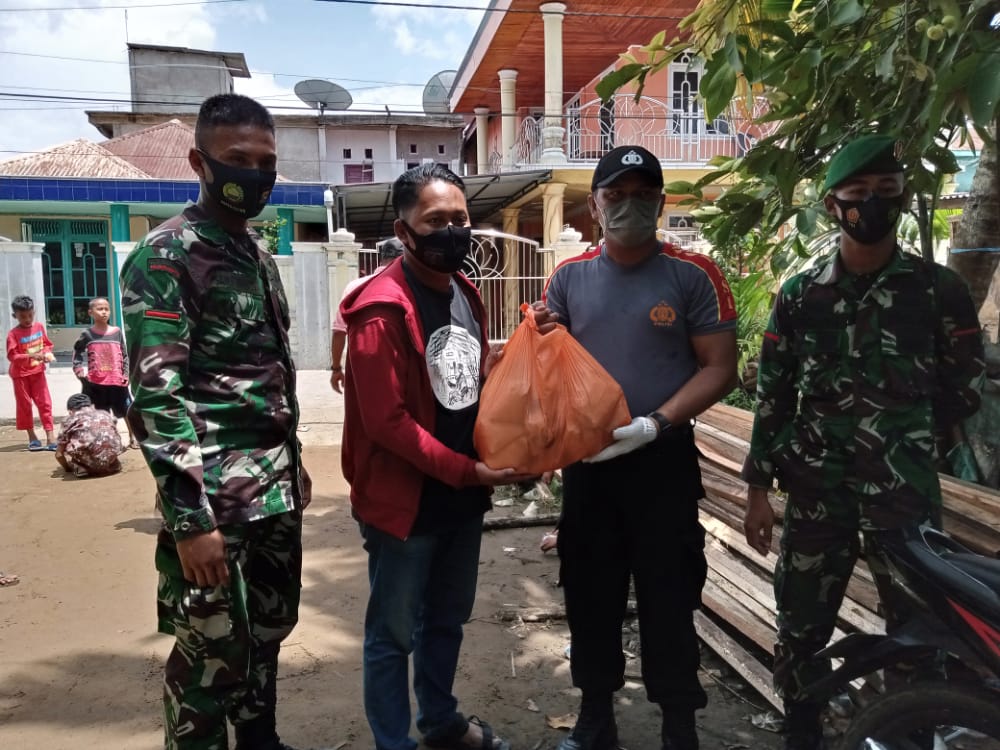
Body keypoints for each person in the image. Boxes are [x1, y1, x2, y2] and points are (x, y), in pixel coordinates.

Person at [740, 134, 986, 750]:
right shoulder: (800, 297)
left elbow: (965, 383)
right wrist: (757, 490)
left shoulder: (937, 290)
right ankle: (802, 732)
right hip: (816, 491)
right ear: (832, 206)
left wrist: (917, 447)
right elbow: (774, 396)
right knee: (799, 625)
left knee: (921, 631)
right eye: (857, 194)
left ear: (903, 197)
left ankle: (909, 734)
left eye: (886, 192)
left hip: (902, 499)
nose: (872, 204)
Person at [120, 93, 310, 750]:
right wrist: (190, 521)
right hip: (213, 505)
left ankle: (261, 741)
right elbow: (155, 399)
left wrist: (296, 463)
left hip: (274, 492)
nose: (255, 173)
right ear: (200, 162)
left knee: (266, 634)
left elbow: (271, 372)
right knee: (209, 657)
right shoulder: (166, 256)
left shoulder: (254, 252)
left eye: (266, 161)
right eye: (238, 160)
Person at [533, 145, 739, 750]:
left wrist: (655, 423)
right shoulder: (568, 278)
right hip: (591, 464)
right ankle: (597, 715)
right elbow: (555, 368)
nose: (629, 205)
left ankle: (679, 722)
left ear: (662, 201)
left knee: (669, 591)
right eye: (616, 195)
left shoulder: (693, 274)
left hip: (663, 462)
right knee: (591, 592)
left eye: (643, 194)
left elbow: (720, 367)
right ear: (595, 206)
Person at [341, 163, 533, 750]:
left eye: (460, 219)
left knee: (447, 621)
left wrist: (529, 343)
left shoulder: (464, 293)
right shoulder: (381, 312)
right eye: (435, 222)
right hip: (405, 504)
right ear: (404, 232)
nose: (451, 231)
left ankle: (441, 722)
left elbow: (465, 383)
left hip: (460, 497)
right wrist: (465, 470)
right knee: (393, 635)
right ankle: (393, 743)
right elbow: (388, 423)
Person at [329, 237, 405, 393]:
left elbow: (339, 332)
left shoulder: (354, 287)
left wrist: (336, 368)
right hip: (400, 368)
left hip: (360, 367)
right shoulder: (406, 287)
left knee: (363, 413)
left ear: (381, 258)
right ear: (404, 259)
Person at [72, 296, 138, 449]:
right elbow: (77, 352)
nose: (104, 312)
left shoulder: (117, 332)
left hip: (117, 380)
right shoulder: (87, 334)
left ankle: (132, 438)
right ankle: (109, 442)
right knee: (102, 415)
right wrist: (79, 369)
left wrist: (126, 375)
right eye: (99, 309)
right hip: (97, 382)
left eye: (106, 309)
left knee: (127, 410)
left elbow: (125, 355)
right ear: (90, 312)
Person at [6, 294, 57, 451]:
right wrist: (31, 356)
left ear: (33, 312)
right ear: (15, 316)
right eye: (23, 316)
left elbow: (48, 344)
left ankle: (50, 436)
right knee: (25, 405)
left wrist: (47, 353)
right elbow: (12, 356)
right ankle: (32, 437)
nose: (27, 319)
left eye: (30, 315)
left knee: (45, 403)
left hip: (38, 372)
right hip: (20, 375)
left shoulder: (39, 327)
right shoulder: (13, 334)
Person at [54, 393, 123, 478]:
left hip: (88, 459)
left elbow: (59, 455)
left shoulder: (69, 419)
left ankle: (83, 468)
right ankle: (112, 464)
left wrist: (68, 468)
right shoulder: (105, 414)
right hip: (110, 456)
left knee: (69, 443)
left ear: (70, 411)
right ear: (92, 406)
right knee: (107, 438)